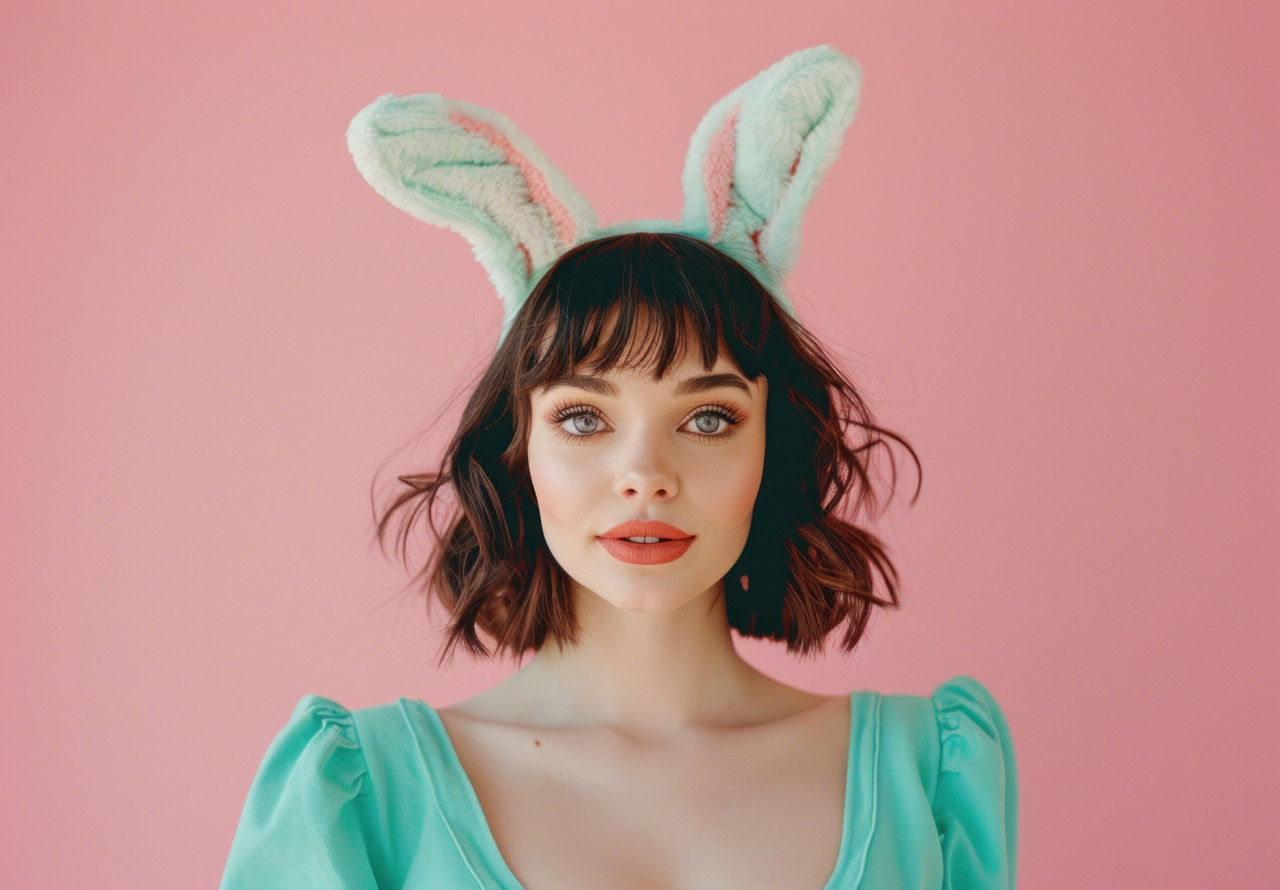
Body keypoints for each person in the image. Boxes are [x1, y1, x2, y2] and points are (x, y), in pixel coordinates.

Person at [221, 47, 1017, 889]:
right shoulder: (357, 797)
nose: (645, 473)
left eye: (708, 418)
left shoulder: (932, 777)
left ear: (771, 447)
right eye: (583, 418)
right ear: (517, 452)